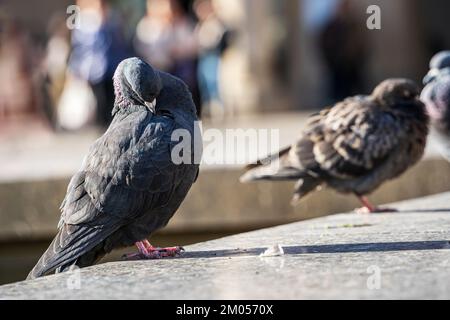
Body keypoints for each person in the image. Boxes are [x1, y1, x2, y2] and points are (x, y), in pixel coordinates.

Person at [67, 0, 131, 127]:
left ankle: (110, 124)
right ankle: (100, 125)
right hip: (93, 71)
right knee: (98, 101)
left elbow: (119, 44)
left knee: (112, 100)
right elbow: (80, 48)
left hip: (112, 68)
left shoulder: (113, 19)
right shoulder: (83, 22)